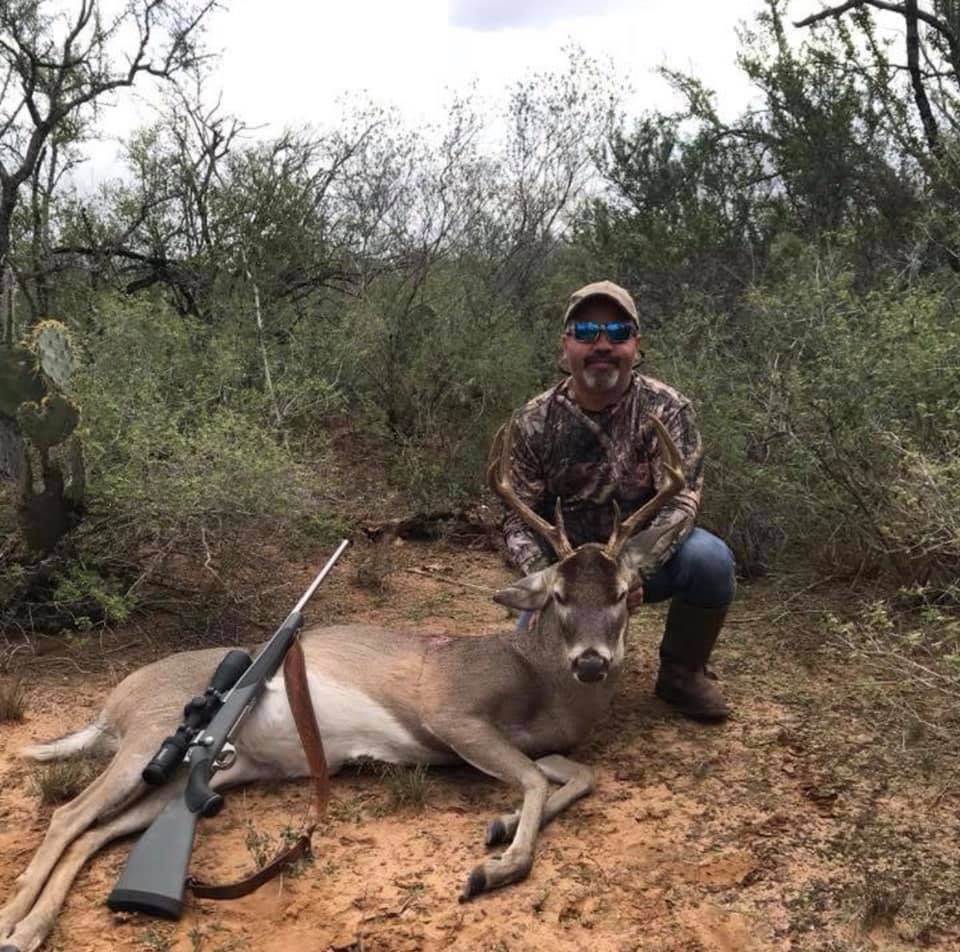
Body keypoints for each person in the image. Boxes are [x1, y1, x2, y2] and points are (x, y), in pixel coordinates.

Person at [501, 280, 735, 722]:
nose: (602, 345)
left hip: (640, 562)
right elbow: (515, 520)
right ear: (566, 344)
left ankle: (682, 675)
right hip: (567, 574)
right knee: (529, 688)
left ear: (636, 344)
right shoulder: (534, 421)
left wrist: (632, 570)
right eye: (587, 332)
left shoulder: (667, 410)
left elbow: (682, 500)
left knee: (710, 559)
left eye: (618, 333)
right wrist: (544, 576)